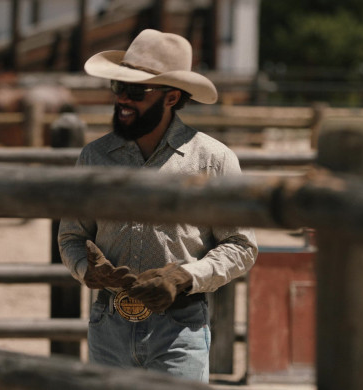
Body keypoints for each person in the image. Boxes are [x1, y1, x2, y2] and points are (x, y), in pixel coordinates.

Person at [57, 29, 258, 382]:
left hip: (179, 328)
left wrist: (185, 276)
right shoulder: (94, 156)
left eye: (135, 91)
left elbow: (242, 246)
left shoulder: (213, 160)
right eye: (119, 87)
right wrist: (88, 271)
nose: (123, 99)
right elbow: (71, 236)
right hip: (108, 324)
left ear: (171, 97)